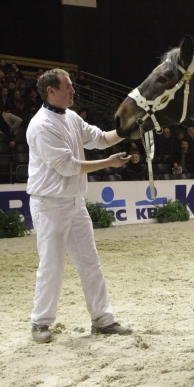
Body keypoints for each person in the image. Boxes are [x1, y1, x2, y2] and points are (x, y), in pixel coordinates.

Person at [27, 68, 132, 343]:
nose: (73, 90)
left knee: (90, 262)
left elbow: (100, 139)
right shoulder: (41, 125)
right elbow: (67, 166)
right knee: (51, 264)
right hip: (49, 204)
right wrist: (109, 162)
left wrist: (126, 129)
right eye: (68, 86)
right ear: (51, 91)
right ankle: (40, 322)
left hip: (74, 201)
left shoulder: (71, 117)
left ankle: (103, 319)